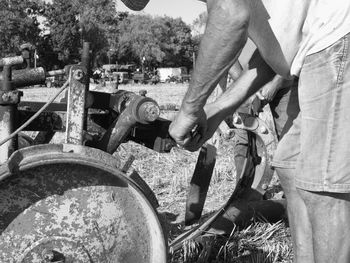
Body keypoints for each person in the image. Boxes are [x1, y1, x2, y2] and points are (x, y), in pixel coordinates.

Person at [121, 0, 350, 262]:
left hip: (335, 38)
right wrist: (217, 110)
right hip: (310, 49)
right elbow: (267, 56)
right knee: (289, 168)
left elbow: (230, 15)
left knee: (323, 187)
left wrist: (190, 108)